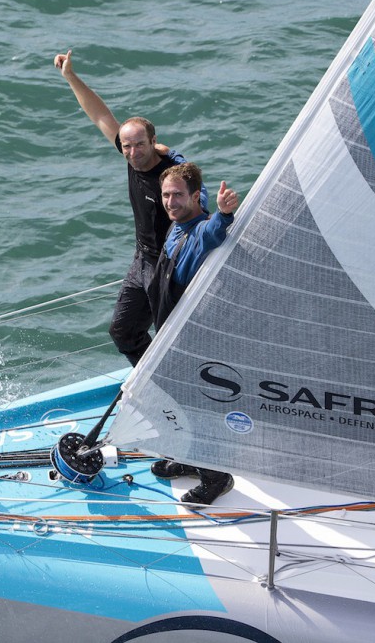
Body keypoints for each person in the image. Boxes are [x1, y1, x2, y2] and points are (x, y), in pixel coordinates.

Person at [53, 50, 206, 366]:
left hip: (171, 265)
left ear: (153, 141)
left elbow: (197, 201)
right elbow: (100, 116)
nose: (133, 153)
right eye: (127, 146)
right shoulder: (130, 157)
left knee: (171, 332)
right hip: (143, 259)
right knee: (122, 331)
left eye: (140, 145)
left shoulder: (171, 170)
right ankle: (157, 375)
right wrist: (70, 76)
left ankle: (177, 375)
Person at [146, 162, 239, 506]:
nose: (170, 202)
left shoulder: (199, 229)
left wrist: (225, 214)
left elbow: (214, 233)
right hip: (170, 331)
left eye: (178, 195)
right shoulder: (177, 225)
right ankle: (189, 458)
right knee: (173, 400)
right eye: (166, 195)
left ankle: (216, 477)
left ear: (196, 196)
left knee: (188, 405)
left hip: (194, 337)